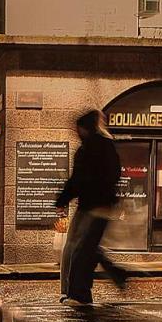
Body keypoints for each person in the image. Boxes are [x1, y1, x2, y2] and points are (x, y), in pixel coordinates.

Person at [56, 109, 128, 306]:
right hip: (94, 204)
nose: (77, 132)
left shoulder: (92, 148)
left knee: (81, 250)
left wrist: (63, 199)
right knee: (82, 248)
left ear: (84, 128)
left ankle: (79, 294)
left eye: (79, 129)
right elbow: (112, 174)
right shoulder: (99, 145)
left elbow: (79, 179)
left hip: (95, 205)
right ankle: (112, 275)